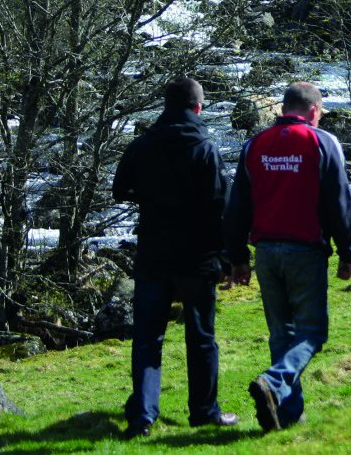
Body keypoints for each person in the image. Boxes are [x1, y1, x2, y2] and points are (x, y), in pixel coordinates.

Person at [224, 82, 351, 432]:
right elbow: (340, 201)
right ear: (314, 110)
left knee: (280, 333)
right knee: (312, 333)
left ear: (283, 108)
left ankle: (286, 414)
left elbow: (238, 205)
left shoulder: (254, 144)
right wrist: (349, 251)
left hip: (266, 251)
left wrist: (238, 256)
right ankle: (275, 380)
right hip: (306, 249)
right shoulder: (322, 142)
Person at [112, 76, 238, 439]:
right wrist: (228, 258)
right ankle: (203, 411)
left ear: (165, 106)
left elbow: (120, 190)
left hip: (154, 253)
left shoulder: (143, 145)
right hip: (197, 257)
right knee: (201, 337)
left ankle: (144, 415)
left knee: (148, 337)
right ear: (198, 108)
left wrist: (150, 195)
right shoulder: (205, 149)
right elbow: (221, 207)